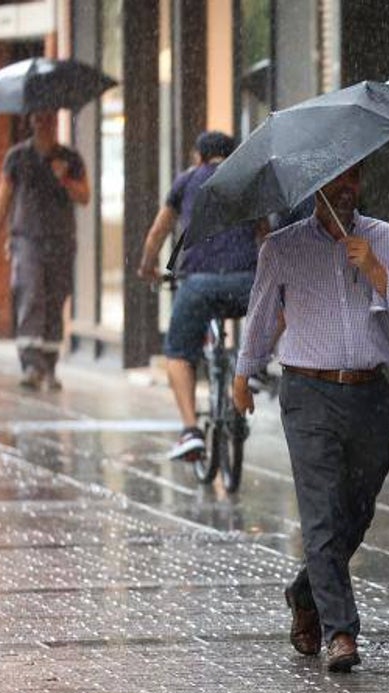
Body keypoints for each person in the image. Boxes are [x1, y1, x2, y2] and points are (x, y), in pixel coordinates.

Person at [232, 164, 389, 672]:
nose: (346, 188)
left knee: (357, 506)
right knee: (319, 512)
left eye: (354, 178)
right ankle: (341, 631)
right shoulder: (281, 246)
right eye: (335, 179)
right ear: (314, 188)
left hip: (368, 392)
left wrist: (378, 273)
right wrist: (242, 375)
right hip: (307, 391)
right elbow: (259, 316)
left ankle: (305, 590)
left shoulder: (385, 238)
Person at [136, 131, 260, 460]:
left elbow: (157, 233)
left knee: (178, 351)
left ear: (199, 157)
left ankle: (190, 431)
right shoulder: (246, 179)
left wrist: (148, 268)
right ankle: (255, 368)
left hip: (199, 283)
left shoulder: (187, 181)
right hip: (245, 283)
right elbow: (266, 235)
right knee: (268, 312)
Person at [0, 110, 90, 390]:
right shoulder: (17, 157)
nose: (46, 124)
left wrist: (64, 178)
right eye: (40, 119)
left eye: (51, 119)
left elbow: (85, 197)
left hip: (61, 240)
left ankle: (50, 364)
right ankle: (31, 365)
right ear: (32, 122)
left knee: (55, 299)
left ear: (56, 122)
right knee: (30, 295)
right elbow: (2, 198)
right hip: (26, 239)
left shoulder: (70, 158)